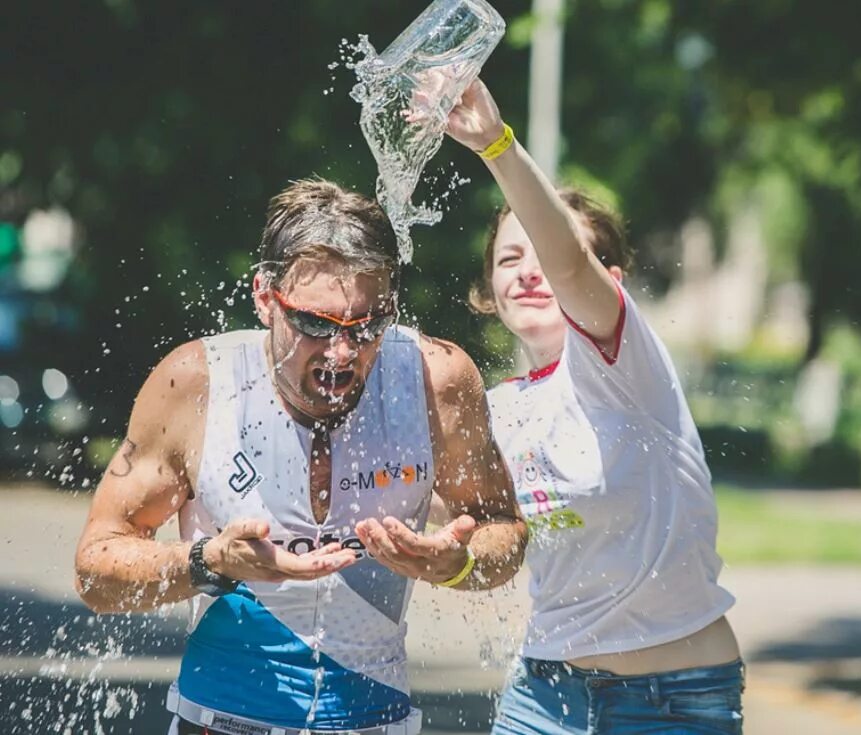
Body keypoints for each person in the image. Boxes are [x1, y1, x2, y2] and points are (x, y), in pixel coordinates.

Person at [73, 178, 527, 735]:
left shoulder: (437, 380)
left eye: (369, 326)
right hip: (219, 721)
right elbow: (96, 571)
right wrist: (208, 562)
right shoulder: (196, 382)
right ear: (265, 297)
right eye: (315, 324)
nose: (342, 352)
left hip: (374, 721)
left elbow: (503, 529)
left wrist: (457, 566)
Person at [443, 80, 744, 733]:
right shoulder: (491, 411)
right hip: (545, 691)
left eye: (545, 253)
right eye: (508, 257)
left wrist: (497, 147)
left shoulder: (627, 363)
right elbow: (456, 518)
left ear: (613, 281)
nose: (529, 271)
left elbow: (573, 268)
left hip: (673, 699)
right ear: (488, 290)